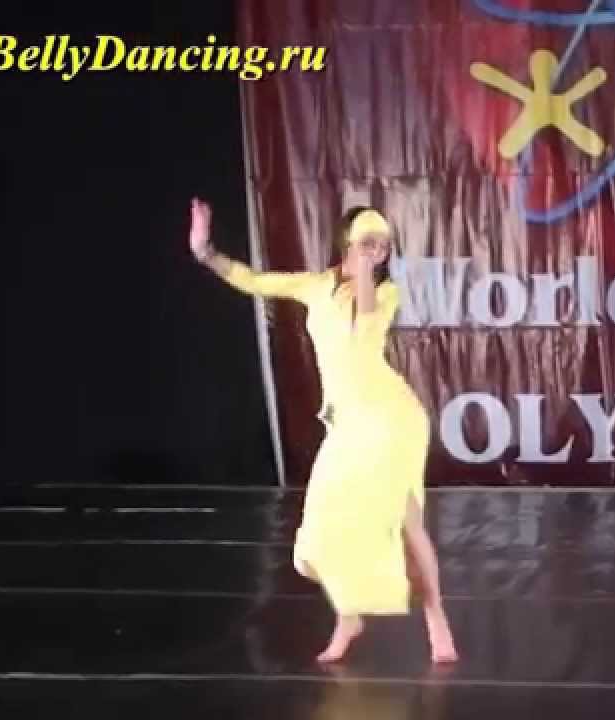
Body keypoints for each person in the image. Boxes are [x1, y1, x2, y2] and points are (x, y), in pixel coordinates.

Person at [187, 197, 458, 664]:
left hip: (391, 420)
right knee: (321, 530)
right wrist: (205, 252)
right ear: (347, 241)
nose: (377, 250)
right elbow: (254, 280)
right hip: (348, 424)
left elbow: (364, 330)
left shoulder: (386, 293)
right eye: (367, 241)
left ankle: (437, 621)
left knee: (407, 523)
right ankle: (348, 617)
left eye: (382, 244)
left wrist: (365, 275)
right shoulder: (314, 286)